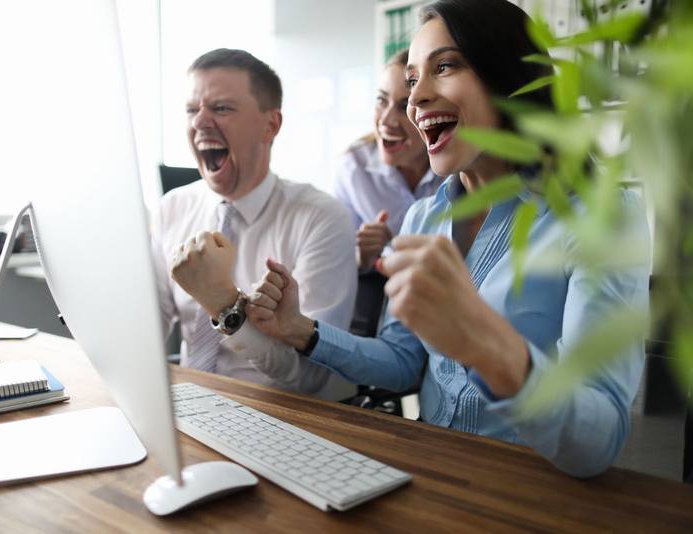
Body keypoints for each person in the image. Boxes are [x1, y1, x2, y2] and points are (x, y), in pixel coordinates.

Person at [244, 0, 650, 477]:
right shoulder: (422, 218)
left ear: (508, 77)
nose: (415, 99)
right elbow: (403, 361)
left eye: (445, 66)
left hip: (534, 488)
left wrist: (484, 343)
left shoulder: (602, 216)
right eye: (412, 79)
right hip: (431, 475)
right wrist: (300, 329)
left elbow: (597, 442)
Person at [152, 48, 357, 400]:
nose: (199, 122)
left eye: (221, 108)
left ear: (270, 125)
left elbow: (312, 376)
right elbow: (145, 334)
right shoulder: (171, 208)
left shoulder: (322, 218)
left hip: (282, 411)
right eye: (191, 110)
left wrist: (223, 304)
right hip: (189, 403)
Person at [334, 50, 441, 269]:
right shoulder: (354, 167)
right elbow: (336, 259)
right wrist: (362, 255)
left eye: (404, 106)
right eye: (382, 100)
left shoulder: (456, 169)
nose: (387, 120)